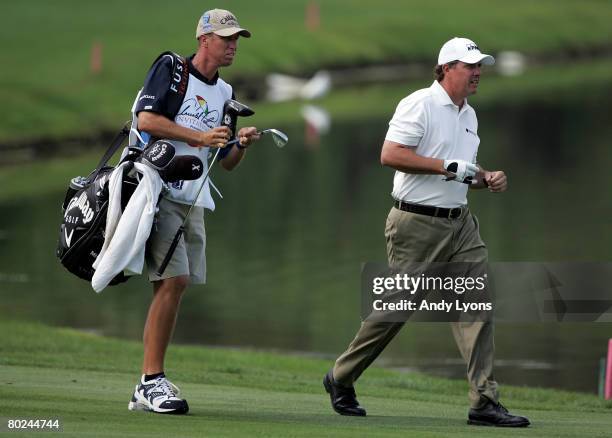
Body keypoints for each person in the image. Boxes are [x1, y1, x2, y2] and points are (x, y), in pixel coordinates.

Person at [323, 37, 530, 427]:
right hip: (415, 223)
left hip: (461, 224)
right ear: (447, 68)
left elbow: (460, 170)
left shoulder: (469, 114)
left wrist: (485, 177)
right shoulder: (419, 103)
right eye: (470, 66)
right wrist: (444, 167)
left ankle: (483, 401)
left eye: (479, 65)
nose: (477, 72)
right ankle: (340, 377)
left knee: (477, 305)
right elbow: (391, 154)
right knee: (396, 310)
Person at [127, 9, 260, 415]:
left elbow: (225, 162)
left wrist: (237, 143)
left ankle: (147, 384)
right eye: (225, 38)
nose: (232, 45)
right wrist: (199, 134)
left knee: (174, 285)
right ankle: (152, 380)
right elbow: (146, 118)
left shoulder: (226, 92)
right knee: (175, 279)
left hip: (193, 198)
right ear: (204, 39)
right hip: (158, 187)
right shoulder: (172, 68)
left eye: (236, 39)